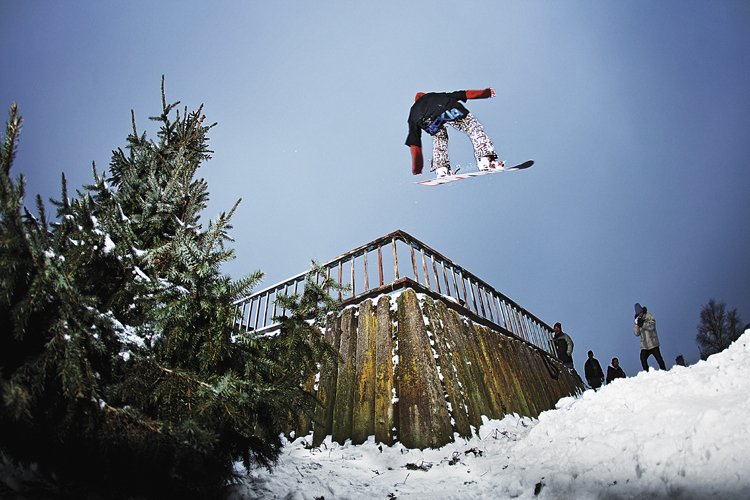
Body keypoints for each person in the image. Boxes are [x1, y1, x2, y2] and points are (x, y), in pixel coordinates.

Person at [405, 89, 504, 178]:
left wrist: (417, 168)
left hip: (427, 121)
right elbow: (465, 94)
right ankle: (486, 159)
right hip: (447, 109)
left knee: (439, 136)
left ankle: (441, 169)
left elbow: (415, 142)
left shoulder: (413, 112)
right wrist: (486, 93)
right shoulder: (436, 95)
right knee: (472, 126)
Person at [633, 302, 666, 371]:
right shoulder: (637, 320)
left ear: (642, 310)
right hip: (644, 345)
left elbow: (652, 327)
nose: (640, 314)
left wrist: (643, 324)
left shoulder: (649, 316)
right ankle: (647, 374)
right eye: (638, 313)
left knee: (659, 359)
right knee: (642, 359)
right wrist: (637, 325)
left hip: (653, 343)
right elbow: (636, 333)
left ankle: (664, 371)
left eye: (641, 312)